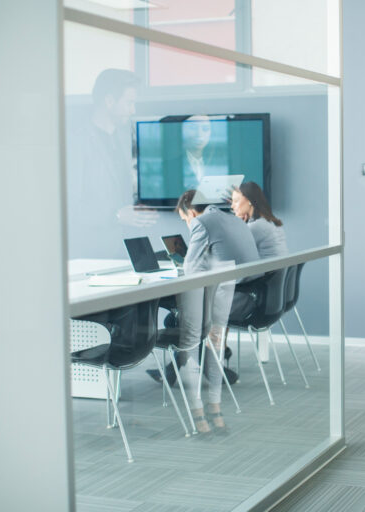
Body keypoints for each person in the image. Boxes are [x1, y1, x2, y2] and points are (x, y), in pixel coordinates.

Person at [159, 190, 259, 435]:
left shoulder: (202, 222)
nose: (187, 223)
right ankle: (214, 411)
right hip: (244, 292)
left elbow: (192, 269)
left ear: (191, 211)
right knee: (208, 340)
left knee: (186, 331)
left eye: (185, 219)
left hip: (225, 296)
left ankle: (197, 414)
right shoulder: (231, 219)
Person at [66, 68, 157, 259]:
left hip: (132, 248)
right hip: (96, 253)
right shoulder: (77, 142)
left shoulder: (125, 138)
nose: (133, 110)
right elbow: (70, 206)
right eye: (129, 103)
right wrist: (115, 215)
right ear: (109, 101)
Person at [231, 182, 288, 258]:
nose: (232, 206)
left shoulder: (256, 226)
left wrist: (239, 224)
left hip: (267, 269)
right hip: (277, 268)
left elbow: (231, 250)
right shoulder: (269, 222)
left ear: (249, 200)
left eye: (236, 201)